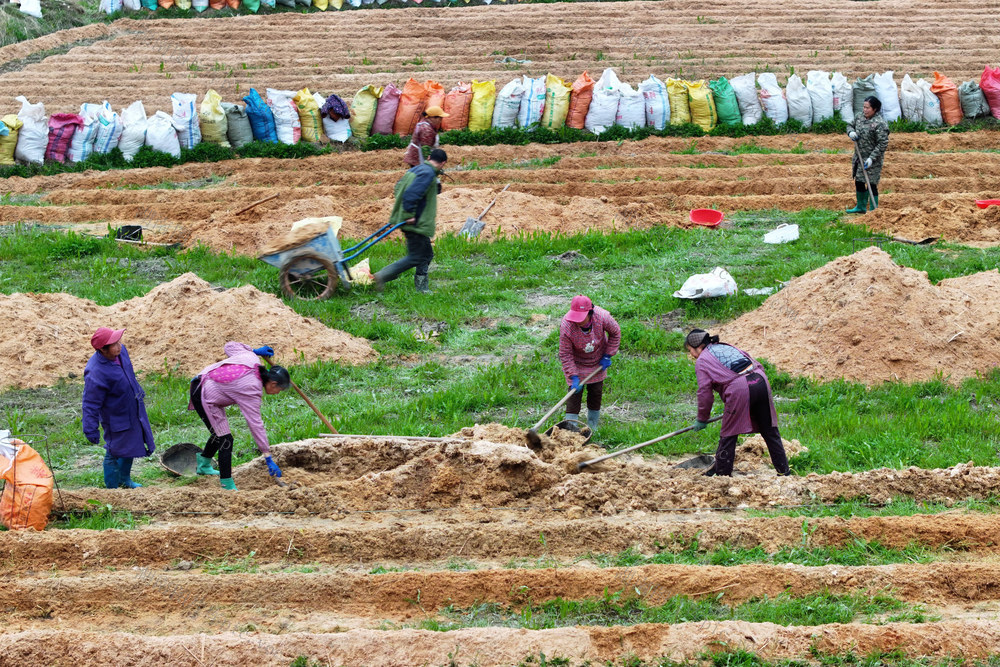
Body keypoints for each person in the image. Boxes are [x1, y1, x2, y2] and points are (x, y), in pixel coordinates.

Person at [685, 329, 790, 477]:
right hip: (760, 380)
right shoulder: (727, 346)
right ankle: (784, 471)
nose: (692, 355)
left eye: (690, 350)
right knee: (770, 431)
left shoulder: (702, 360)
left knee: (729, 433)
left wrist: (702, 418)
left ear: (698, 347)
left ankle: (722, 475)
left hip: (739, 389)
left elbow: (705, 393)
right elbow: (758, 365)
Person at [189, 342, 291, 491]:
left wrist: (253, 351)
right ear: (273, 384)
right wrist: (267, 455)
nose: (278, 393)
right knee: (225, 439)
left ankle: (204, 464)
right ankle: (227, 484)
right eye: (280, 390)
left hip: (204, 383)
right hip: (203, 393)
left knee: (219, 433)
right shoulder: (251, 389)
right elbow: (255, 424)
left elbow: (229, 346)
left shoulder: (252, 359)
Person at [82, 327, 155, 489]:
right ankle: (112, 489)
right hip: (115, 415)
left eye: (118, 341)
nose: (119, 346)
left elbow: (129, 373)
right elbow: (90, 403)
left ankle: (125, 480)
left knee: (131, 443)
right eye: (114, 344)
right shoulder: (95, 372)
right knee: (114, 451)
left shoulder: (121, 352)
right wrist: (90, 429)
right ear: (102, 349)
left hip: (132, 408)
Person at [374, 148, 447, 294]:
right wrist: (408, 214)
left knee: (427, 254)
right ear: (443, 163)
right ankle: (382, 276)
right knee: (415, 257)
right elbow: (411, 194)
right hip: (415, 223)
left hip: (413, 220)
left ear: (429, 157)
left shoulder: (419, 170)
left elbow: (398, 188)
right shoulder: (427, 174)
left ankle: (422, 287)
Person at [558, 295, 621, 432]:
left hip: (598, 360)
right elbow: (565, 353)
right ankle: (570, 428)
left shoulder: (602, 317)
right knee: (574, 395)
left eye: (581, 318)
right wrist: (573, 376)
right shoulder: (567, 325)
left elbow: (615, 332)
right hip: (576, 362)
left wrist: (608, 354)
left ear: (590, 313)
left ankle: (592, 426)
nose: (577, 322)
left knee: (596, 391)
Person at [845, 95, 889, 213]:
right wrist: (851, 132)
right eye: (864, 107)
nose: (864, 110)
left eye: (867, 108)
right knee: (859, 181)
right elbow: (849, 125)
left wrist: (871, 159)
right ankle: (861, 207)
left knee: (871, 183)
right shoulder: (859, 117)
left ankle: (874, 211)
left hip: (873, 159)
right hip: (859, 157)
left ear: (874, 109)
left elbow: (882, 144)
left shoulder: (880, 124)